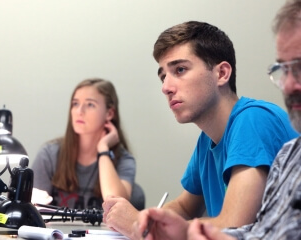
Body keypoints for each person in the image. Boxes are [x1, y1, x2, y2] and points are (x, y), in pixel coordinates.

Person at [102, 21, 299, 238]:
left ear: (222, 73)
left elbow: (234, 225)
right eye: (163, 76)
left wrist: (136, 223)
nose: (166, 87)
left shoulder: (253, 119)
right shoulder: (207, 140)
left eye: (180, 70)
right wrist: (148, 219)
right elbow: (185, 208)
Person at [31, 78, 135, 210]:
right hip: (55, 230)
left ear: (109, 113)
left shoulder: (124, 160)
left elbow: (115, 205)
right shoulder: (49, 154)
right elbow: (32, 208)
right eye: (75, 104)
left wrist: (103, 150)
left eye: (90, 105)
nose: (79, 111)